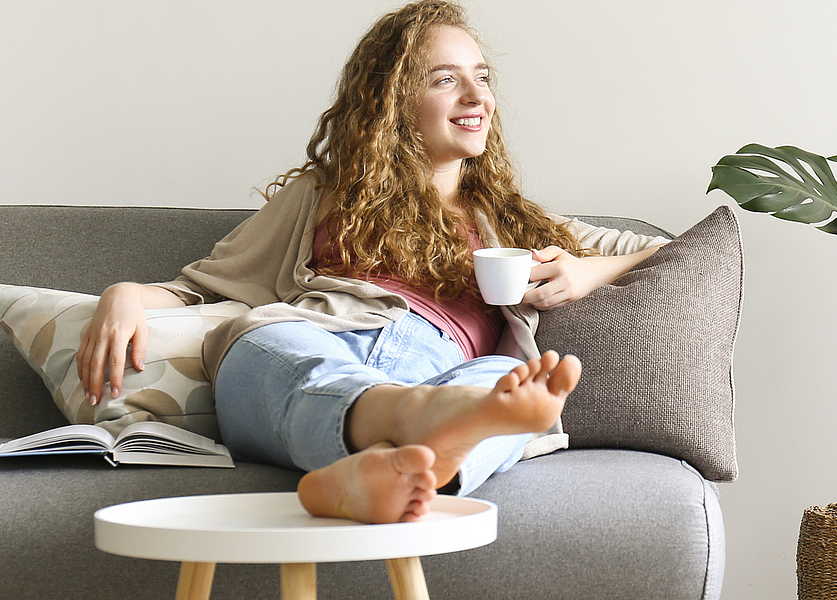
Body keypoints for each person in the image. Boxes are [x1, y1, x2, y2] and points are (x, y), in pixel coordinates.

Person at [74, 0, 667, 525]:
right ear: (394, 99)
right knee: (267, 350)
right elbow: (197, 287)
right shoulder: (325, 193)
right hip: (318, 334)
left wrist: (586, 270)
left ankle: (379, 466)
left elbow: (668, 251)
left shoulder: (512, 220)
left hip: (439, 362)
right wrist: (123, 293)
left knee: (500, 387)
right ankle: (419, 427)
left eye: (482, 78)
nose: (478, 97)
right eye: (446, 80)